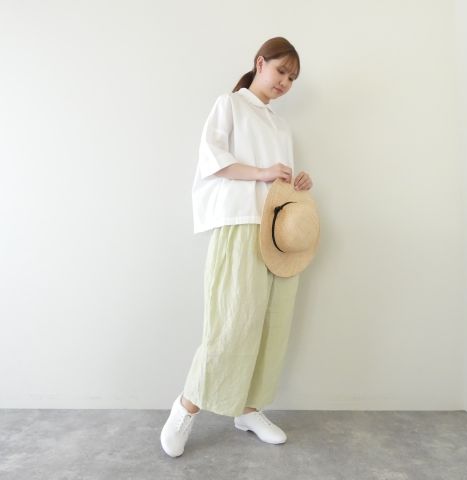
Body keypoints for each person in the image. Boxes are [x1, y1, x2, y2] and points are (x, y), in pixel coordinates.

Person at [160, 36, 313, 458]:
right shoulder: (229, 105)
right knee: (233, 323)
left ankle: (248, 409)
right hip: (240, 224)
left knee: (272, 324)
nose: (285, 82)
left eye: (292, 78)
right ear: (260, 63)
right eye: (281, 71)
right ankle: (187, 405)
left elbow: (277, 183)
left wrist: (297, 182)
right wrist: (262, 172)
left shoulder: (281, 126)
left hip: (278, 232)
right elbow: (212, 159)